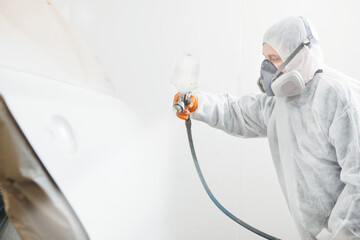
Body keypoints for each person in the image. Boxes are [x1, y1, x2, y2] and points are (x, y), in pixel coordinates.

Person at [173, 16, 360, 240]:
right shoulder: (282, 104)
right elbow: (237, 112)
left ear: (301, 56)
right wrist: (198, 104)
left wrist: (343, 234)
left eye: (274, 58)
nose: (267, 68)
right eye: (265, 59)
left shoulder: (338, 97)